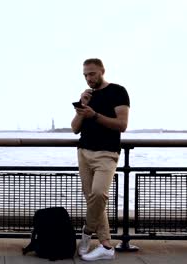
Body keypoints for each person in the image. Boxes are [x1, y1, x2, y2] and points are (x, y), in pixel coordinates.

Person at [71, 58, 130, 261]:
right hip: (84, 152)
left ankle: (87, 234)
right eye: (85, 75)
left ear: (102, 71)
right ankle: (106, 245)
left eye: (92, 74)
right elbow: (74, 128)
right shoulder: (88, 96)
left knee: (98, 194)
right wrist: (83, 105)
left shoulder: (118, 91)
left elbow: (122, 125)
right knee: (93, 200)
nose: (89, 78)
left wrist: (94, 114)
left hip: (107, 153)